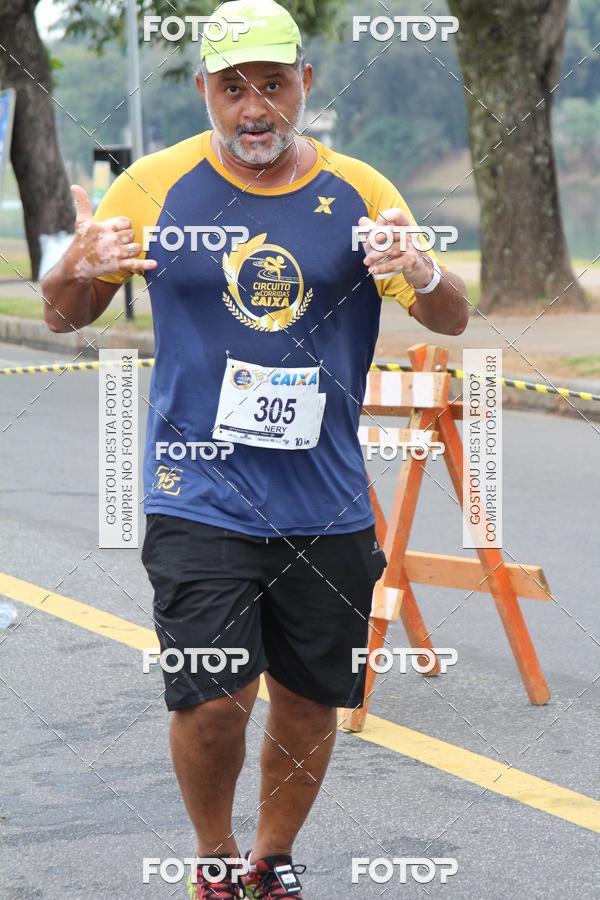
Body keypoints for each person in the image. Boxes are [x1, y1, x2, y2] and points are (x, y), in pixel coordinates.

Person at [41, 1, 468, 896]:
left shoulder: (360, 188)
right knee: (214, 699)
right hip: (196, 492)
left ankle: (271, 862)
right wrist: (79, 262)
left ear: (305, 84)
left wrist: (424, 271)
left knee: (311, 700)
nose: (254, 108)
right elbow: (63, 312)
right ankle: (212, 856)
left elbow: (449, 315)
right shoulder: (152, 186)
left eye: (272, 84)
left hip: (327, 501)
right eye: (233, 88)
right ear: (204, 91)